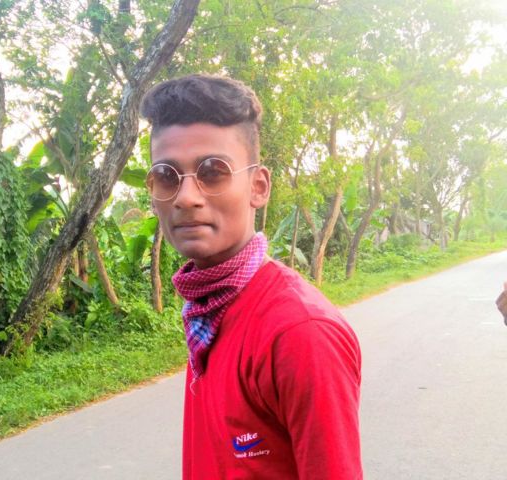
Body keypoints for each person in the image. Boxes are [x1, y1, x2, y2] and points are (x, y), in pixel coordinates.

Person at [140, 74, 362, 480]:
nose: (186, 197)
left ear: (258, 187)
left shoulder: (300, 333)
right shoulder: (206, 311)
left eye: (212, 171)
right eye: (167, 176)